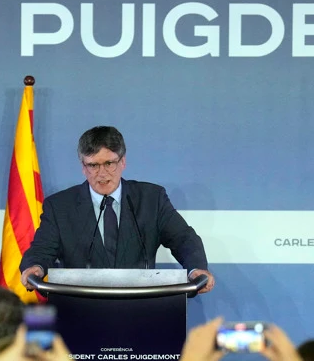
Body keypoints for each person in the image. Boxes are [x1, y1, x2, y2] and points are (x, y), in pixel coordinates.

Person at [20, 126, 214, 294]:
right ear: (83, 167)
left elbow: (183, 238)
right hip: (79, 308)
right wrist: (35, 266)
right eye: (93, 165)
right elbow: (42, 248)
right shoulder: (60, 206)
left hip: (141, 308)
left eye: (109, 163)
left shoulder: (151, 199)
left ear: (122, 162)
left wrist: (196, 269)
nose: (102, 173)